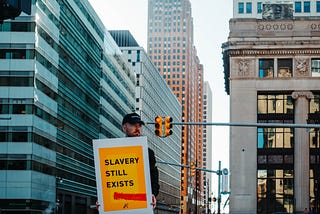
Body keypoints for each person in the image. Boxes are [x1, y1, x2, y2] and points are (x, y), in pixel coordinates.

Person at [121, 112, 160, 208]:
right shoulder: (113, 150)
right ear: (124, 128)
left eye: (139, 126)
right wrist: (103, 200)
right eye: (133, 125)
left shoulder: (148, 153)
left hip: (140, 203)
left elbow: (154, 177)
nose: (137, 129)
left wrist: (153, 194)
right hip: (119, 203)